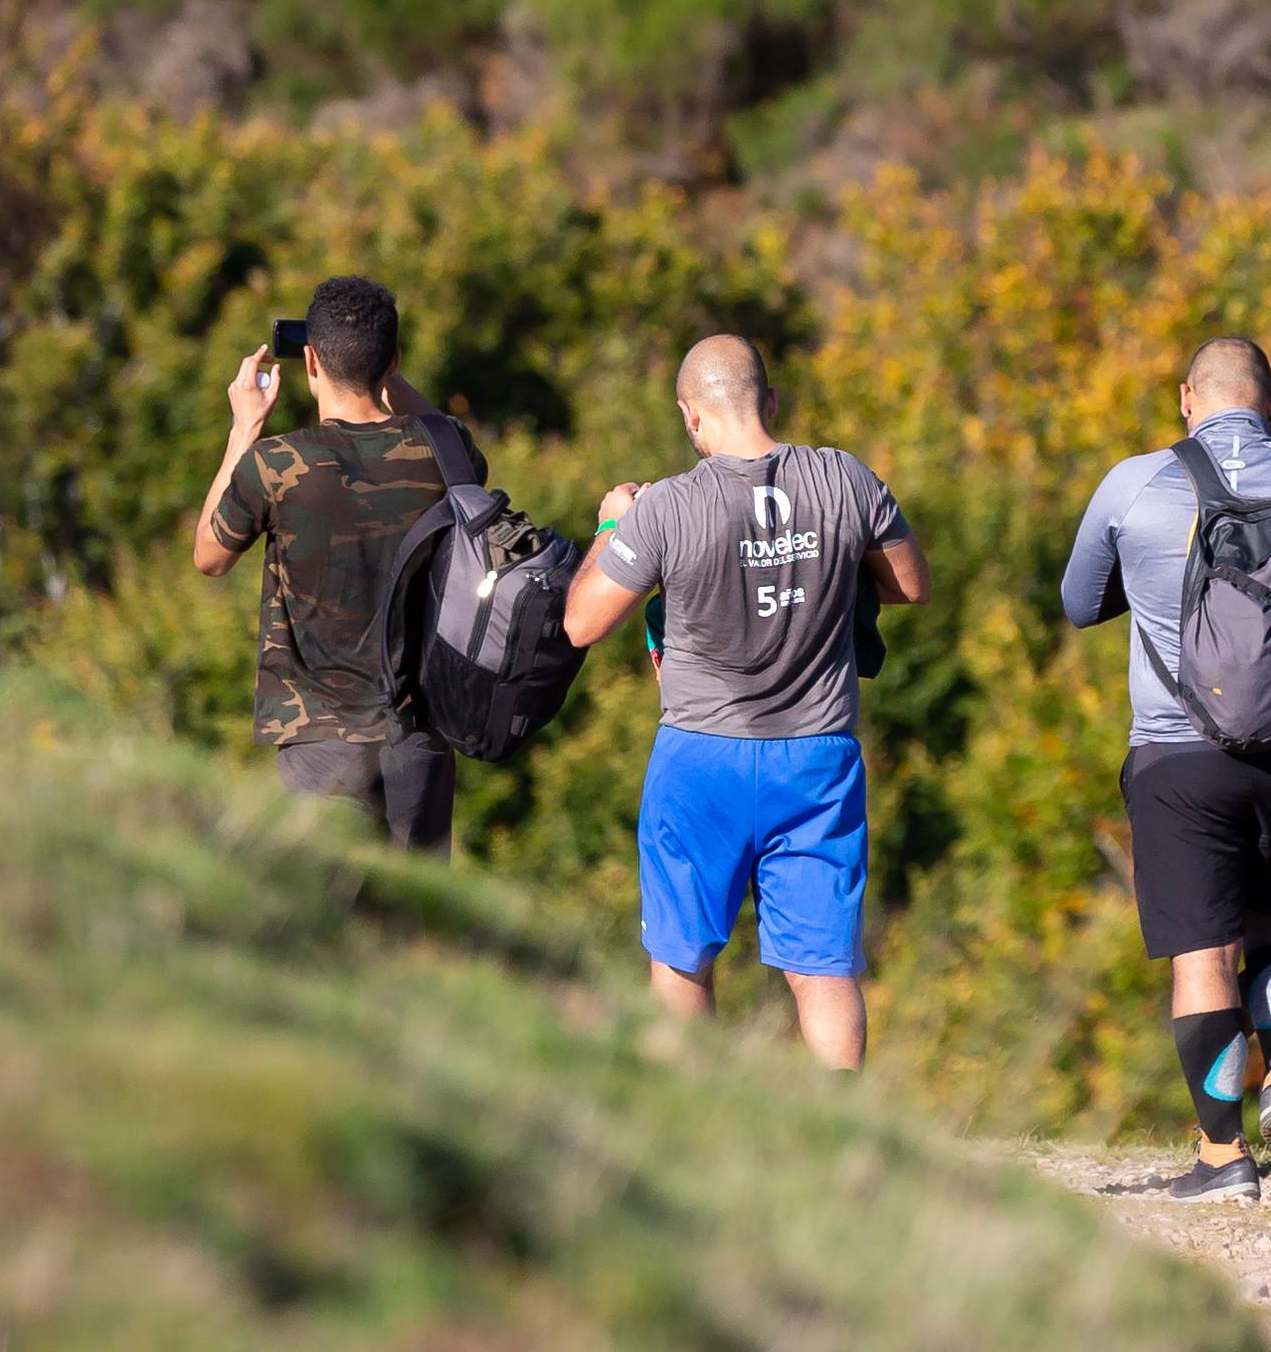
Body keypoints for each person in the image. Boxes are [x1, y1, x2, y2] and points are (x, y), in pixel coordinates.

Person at [1061, 337, 1271, 1200]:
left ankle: (1220, 1157)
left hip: (1178, 754)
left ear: (1185, 399)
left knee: (1202, 952)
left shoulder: (1133, 484)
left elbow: (1074, 603)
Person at [563, 335, 930, 1069]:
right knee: (821, 967)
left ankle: (695, 1128)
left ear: (689, 416)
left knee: (682, 959)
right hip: (818, 759)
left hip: (701, 756)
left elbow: (581, 622)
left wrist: (611, 525)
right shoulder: (846, 480)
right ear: (770, 401)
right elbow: (909, 585)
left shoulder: (665, 507)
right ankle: (841, 1140)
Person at [192, 275, 486, 858]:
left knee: (331, 919)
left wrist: (244, 427)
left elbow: (209, 555)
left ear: (309, 361)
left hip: (319, 740)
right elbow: (453, 444)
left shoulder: (276, 463)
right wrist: (379, 370)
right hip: (419, 738)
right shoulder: (443, 452)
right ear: (394, 361)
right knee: (418, 926)